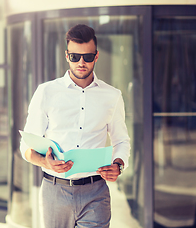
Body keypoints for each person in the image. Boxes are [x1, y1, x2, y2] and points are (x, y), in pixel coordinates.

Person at [20, 24, 131, 228]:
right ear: (66, 55)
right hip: (54, 191)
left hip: (95, 192)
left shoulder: (112, 96)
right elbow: (25, 147)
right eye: (75, 57)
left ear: (96, 57)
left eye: (87, 57)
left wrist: (119, 165)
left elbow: (122, 140)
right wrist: (44, 162)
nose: (81, 63)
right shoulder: (46, 92)